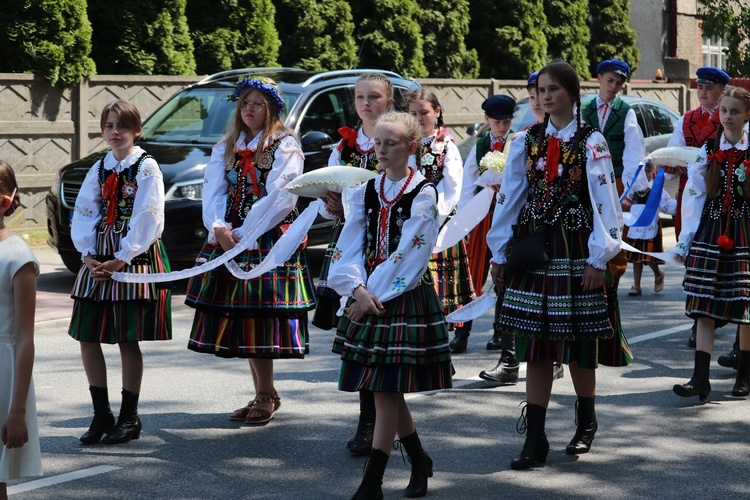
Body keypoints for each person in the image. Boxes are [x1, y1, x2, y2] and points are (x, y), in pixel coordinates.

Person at [487, 60, 630, 470]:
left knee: (580, 346)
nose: (546, 96)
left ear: (571, 93)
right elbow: (510, 198)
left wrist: (598, 258)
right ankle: (535, 438)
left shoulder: (592, 141)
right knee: (536, 346)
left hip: (576, 248)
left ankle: (586, 421)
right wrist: (500, 252)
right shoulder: (525, 140)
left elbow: (605, 203)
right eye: (541, 90)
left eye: (554, 89)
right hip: (534, 248)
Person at [328, 112, 452, 498]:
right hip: (368, 294)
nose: (380, 149)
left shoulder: (424, 193)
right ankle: (418, 460)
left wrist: (370, 297)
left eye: (390, 143)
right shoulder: (366, 189)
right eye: (378, 142)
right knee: (386, 392)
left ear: (411, 148)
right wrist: (355, 289)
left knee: (385, 391)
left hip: (401, 296)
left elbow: (411, 256)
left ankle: (373, 482)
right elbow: (348, 244)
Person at [184, 77, 315, 426]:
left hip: (265, 239)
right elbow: (212, 190)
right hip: (231, 239)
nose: (249, 110)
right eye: (244, 103)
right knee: (243, 317)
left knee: (258, 318)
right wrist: (218, 228)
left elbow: (282, 197)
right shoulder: (228, 145)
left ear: (271, 108)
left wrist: (241, 233)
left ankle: (266, 394)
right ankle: (264, 393)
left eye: (257, 104)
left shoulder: (284, 145)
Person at [69, 100, 172, 445]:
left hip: (131, 256)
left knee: (127, 338)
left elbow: (149, 215)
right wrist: (87, 254)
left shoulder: (146, 168)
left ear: (136, 131)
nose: (115, 132)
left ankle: (130, 418)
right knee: (87, 335)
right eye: (109, 126)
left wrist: (122, 257)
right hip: (97, 257)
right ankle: (102, 414)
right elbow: (85, 210)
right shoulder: (99, 167)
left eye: (122, 127)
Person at [313, 73, 394, 456]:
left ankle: (388, 425)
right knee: (358, 340)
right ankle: (368, 424)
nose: (366, 103)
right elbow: (328, 196)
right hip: (351, 247)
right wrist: (329, 203)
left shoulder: (400, 141)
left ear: (389, 101)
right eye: (360, 97)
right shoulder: (344, 145)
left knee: (383, 339)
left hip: (387, 245)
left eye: (374, 96)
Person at [479, 71, 564, 385]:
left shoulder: (574, 137)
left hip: (559, 229)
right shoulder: (522, 140)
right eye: (533, 96)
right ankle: (509, 360)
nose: (540, 101)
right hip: (525, 227)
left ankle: (553, 357)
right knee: (509, 290)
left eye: (546, 93)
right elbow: (510, 195)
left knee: (550, 296)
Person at [671, 86, 750, 401]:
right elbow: (694, 194)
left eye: (734, 111)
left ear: (747, 115)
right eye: (723, 111)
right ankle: (699, 378)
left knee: (745, 307)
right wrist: (685, 239)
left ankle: (744, 376)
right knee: (704, 305)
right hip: (712, 228)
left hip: (744, 228)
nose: (727, 117)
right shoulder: (707, 148)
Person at [662, 66, 731, 348]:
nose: (703, 92)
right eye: (700, 87)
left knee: (717, 255)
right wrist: (668, 165)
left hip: (717, 196)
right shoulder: (686, 119)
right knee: (691, 256)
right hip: (688, 196)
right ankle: (698, 318)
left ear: (722, 92)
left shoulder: (730, 116)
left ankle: (717, 314)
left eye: (709, 88)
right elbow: (673, 152)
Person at [406, 88, 475, 341]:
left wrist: (434, 217)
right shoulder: (406, 143)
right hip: (410, 224)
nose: (418, 118)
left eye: (423, 112)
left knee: (440, 288)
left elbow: (453, 187)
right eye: (412, 113)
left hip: (439, 225)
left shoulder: (446, 145)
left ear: (437, 112)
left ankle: (451, 334)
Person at [452, 94, 516, 354]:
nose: (502, 126)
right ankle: (461, 332)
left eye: (506, 120)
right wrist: (464, 224)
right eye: (497, 121)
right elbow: (467, 186)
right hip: (482, 217)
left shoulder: (519, 141)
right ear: (486, 119)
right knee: (472, 274)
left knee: (503, 275)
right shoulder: (479, 147)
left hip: (508, 215)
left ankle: (500, 332)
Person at [582, 58, 648, 289]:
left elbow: (634, 153)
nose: (613, 86)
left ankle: (611, 286)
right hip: (587, 181)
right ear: (598, 79)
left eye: (618, 83)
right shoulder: (584, 110)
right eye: (609, 80)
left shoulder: (626, 113)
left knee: (613, 235)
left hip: (616, 182)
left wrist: (629, 192)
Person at [0, 160, 42, 496]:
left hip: (3, 377)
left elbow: (25, 338)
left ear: (4, 201)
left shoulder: (18, 256)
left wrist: (17, 411)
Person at [624, 161, 677, 296]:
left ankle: (658, 274)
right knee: (637, 256)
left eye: (648, 171)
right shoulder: (634, 185)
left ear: (653, 172)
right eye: (643, 171)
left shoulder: (656, 186)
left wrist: (679, 202)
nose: (645, 175)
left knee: (648, 255)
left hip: (650, 225)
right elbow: (627, 200)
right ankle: (636, 285)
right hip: (637, 224)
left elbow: (666, 204)